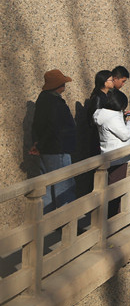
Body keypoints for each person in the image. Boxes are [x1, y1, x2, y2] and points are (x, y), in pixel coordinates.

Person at [31, 69, 77, 213]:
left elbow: (37, 125)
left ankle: (47, 223)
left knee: (47, 190)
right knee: (63, 188)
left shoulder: (42, 99)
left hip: (46, 149)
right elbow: (54, 127)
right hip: (58, 150)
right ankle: (66, 222)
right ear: (59, 85)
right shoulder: (55, 102)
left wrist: (38, 144)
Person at [93, 89, 130, 216]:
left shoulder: (103, 114)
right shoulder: (113, 117)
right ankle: (113, 217)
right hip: (118, 156)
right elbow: (125, 134)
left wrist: (123, 118)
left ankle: (110, 214)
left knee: (112, 184)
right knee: (116, 188)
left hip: (108, 153)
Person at [76, 70, 113, 196]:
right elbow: (95, 119)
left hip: (105, 136)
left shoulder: (108, 95)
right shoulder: (98, 97)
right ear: (104, 82)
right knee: (98, 168)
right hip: (98, 137)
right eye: (111, 80)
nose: (113, 82)